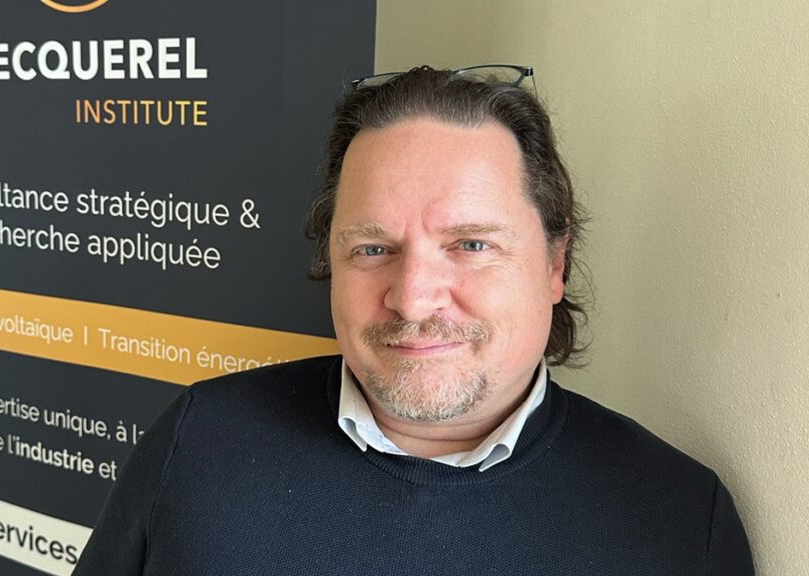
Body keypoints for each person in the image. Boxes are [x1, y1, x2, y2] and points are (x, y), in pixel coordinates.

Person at [73, 65, 754, 575]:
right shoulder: (197, 441)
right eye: (373, 249)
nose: (413, 298)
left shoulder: (680, 519)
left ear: (555, 263)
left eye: (471, 245)